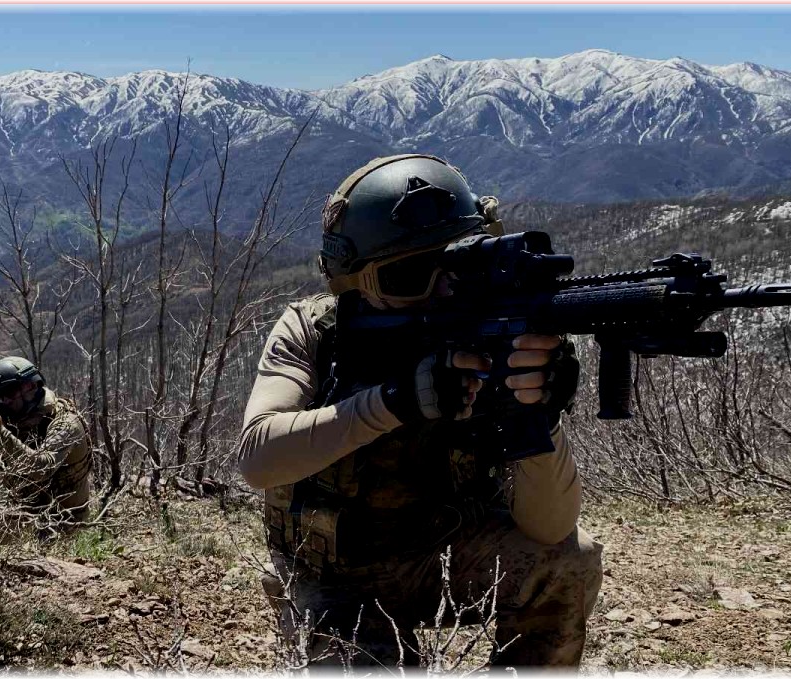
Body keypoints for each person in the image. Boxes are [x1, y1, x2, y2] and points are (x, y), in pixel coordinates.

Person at [237, 154, 603, 669]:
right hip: (334, 573)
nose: (442, 291)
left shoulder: (496, 338)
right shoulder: (313, 333)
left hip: (447, 553)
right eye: (409, 276)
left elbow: (550, 529)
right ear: (353, 282)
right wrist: (394, 401)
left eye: (457, 266)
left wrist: (539, 414)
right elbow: (257, 456)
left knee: (570, 559)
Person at [0, 356, 92, 531]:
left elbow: (42, 468)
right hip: (26, 514)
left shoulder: (66, 422)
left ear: (31, 386)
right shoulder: (15, 419)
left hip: (65, 521)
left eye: (10, 393)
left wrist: (0, 434)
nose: (5, 401)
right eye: (0, 396)